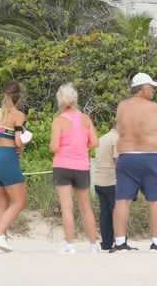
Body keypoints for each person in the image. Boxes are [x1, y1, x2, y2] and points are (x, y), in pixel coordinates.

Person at [112, 73, 157, 253]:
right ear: (143, 88)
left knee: (122, 200)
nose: (153, 91)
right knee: (156, 200)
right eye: (151, 87)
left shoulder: (121, 106)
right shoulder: (155, 107)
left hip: (126, 155)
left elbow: (119, 126)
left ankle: (120, 242)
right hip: (150, 156)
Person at [50, 83, 100, 254]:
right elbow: (95, 142)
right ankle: (93, 244)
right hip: (81, 166)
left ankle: (70, 245)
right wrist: (82, 147)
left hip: (62, 165)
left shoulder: (59, 121)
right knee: (86, 207)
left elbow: (54, 146)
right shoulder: (85, 119)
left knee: (67, 206)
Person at [0, 81, 27, 252]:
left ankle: (1, 237)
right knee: (19, 201)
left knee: (2, 202)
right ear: (19, 97)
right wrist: (23, 144)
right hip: (7, 157)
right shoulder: (18, 115)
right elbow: (17, 140)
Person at [93, 126, 119, 251]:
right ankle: (119, 240)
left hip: (99, 180)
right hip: (111, 180)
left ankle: (106, 242)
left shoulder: (102, 138)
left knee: (104, 213)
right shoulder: (117, 138)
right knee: (117, 211)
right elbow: (117, 159)